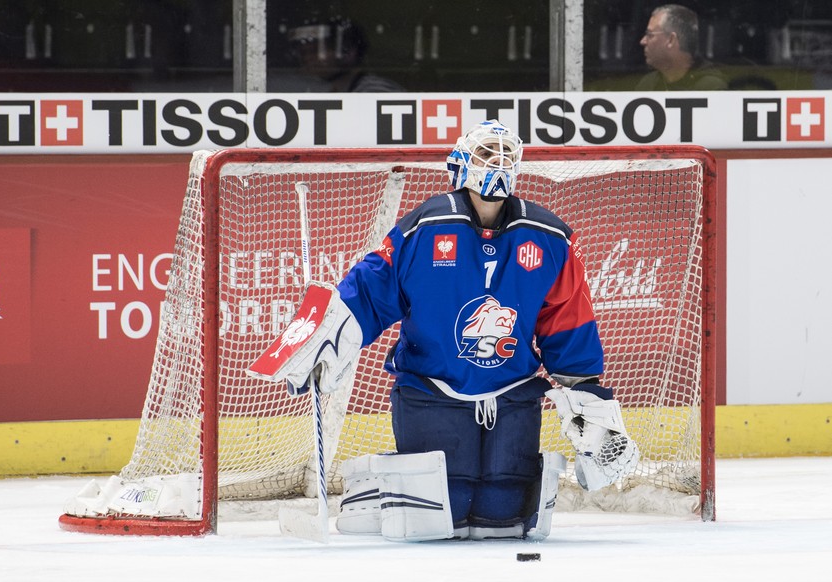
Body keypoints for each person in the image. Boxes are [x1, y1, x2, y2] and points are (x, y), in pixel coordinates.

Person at [252, 120, 638, 542]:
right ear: (461, 162)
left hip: (511, 393)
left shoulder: (549, 236)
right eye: (487, 151)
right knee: (438, 518)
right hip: (431, 389)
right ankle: (371, 488)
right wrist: (328, 336)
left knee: (504, 517)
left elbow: (568, 320)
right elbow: (372, 288)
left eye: (506, 152)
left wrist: (586, 391)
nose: (499, 160)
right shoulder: (426, 226)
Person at [270, 17, 405, 92]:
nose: (307, 59)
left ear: (348, 53)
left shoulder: (375, 91)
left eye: (316, 51)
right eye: (303, 53)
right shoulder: (328, 90)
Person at [636, 4, 727, 91]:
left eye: (650, 35)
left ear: (671, 40)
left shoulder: (711, 89)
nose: (643, 41)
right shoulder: (647, 85)